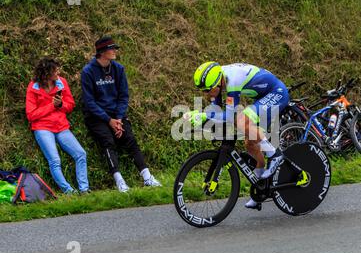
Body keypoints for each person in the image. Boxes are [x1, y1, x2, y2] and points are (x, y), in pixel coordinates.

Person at [184, 62, 289, 209]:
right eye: (202, 91)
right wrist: (200, 122)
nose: (206, 94)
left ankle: (275, 154)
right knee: (250, 144)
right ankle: (261, 188)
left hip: (277, 92)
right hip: (262, 97)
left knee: (241, 120)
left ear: (218, 82)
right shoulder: (218, 82)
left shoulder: (232, 80)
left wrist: (202, 115)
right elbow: (216, 113)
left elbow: (229, 115)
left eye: (208, 90)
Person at [81, 36, 161, 192]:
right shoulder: (88, 72)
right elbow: (89, 102)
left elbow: (123, 96)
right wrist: (108, 120)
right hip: (97, 116)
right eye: (112, 48)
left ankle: (147, 177)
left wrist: (118, 118)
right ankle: (120, 181)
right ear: (102, 52)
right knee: (108, 141)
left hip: (116, 115)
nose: (115, 51)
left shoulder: (118, 69)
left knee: (129, 138)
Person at [26, 57, 90, 194]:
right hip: (42, 128)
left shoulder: (61, 83)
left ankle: (84, 190)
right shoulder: (33, 87)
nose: (58, 73)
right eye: (55, 71)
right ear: (46, 73)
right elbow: (31, 115)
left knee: (81, 154)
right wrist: (52, 106)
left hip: (61, 126)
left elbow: (70, 105)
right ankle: (68, 191)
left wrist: (61, 105)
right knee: (55, 160)